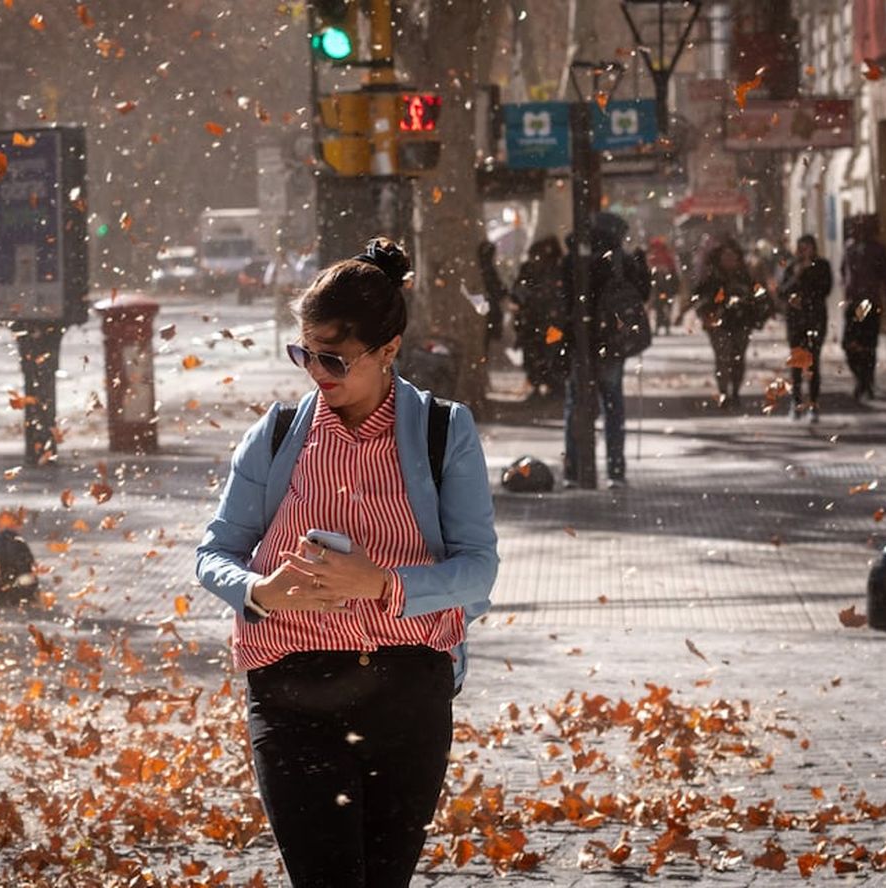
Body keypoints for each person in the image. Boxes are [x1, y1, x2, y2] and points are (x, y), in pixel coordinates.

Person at [196, 237, 498, 888]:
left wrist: (384, 584)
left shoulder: (444, 430)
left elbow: (479, 572)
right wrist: (260, 591)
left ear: (389, 349)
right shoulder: (278, 433)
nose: (316, 372)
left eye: (333, 357)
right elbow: (214, 553)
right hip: (291, 694)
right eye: (304, 353)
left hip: (407, 693)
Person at [560, 212, 650, 489]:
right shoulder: (621, 261)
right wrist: (641, 264)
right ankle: (615, 470)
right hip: (610, 344)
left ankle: (573, 471)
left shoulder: (572, 259)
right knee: (613, 406)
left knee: (576, 406)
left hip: (579, 343)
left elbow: (563, 300)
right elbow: (642, 294)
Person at [687, 238, 763, 409]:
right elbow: (699, 297)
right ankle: (723, 392)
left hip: (741, 323)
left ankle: (735, 392)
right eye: (725, 256)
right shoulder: (711, 278)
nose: (729, 260)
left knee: (738, 359)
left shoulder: (744, 277)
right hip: (718, 325)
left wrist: (754, 314)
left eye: (732, 256)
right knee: (722, 359)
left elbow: (757, 297)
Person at [778, 234, 832, 422]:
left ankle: (814, 404)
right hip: (795, 321)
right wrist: (797, 275)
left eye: (808, 247)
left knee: (813, 363)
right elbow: (782, 292)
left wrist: (811, 273)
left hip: (815, 319)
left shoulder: (822, 266)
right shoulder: (792, 266)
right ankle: (796, 401)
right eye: (802, 248)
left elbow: (826, 289)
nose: (805, 251)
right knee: (797, 363)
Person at [841, 218, 886, 401]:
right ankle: (862, 378)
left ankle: (866, 381)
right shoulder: (849, 249)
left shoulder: (878, 250)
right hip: (854, 302)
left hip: (870, 302)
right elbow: (844, 272)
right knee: (850, 343)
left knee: (868, 345)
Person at [511, 235, 568, 393]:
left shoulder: (557, 269)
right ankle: (543, 384)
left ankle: (549, 384)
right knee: (541, 354)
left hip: (548, 322)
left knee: (549, 354)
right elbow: (519, 292)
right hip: (539, 321)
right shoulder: (535, 269)